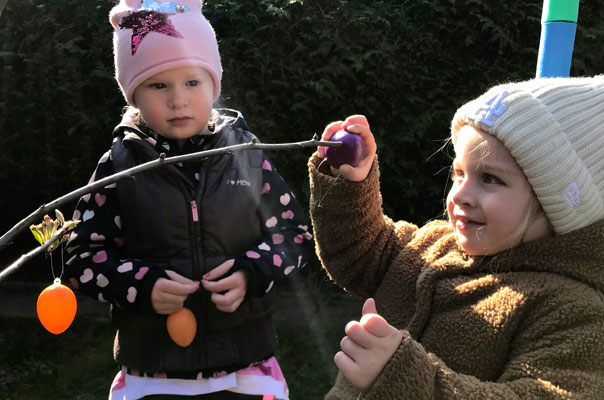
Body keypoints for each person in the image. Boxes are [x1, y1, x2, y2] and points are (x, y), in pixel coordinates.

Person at [63, 1, 313, 399]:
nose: (178, 100)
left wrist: (251, 273)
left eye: (193, 82)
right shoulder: (120, 167)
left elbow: (295, 236)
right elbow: (80, 258)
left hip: (245, 366)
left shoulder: (245, 156)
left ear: (214, 85)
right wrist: (142, 286)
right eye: (158, 85)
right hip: (154, 372)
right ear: (133, 95)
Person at [308, 75, 604, 399]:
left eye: (490, 178)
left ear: (554, 204)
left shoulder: (572, 310)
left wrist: (401, 377)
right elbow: (359, 254)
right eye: (458, 173)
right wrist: (349, 187)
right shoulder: (432, 246)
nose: (459, 194)